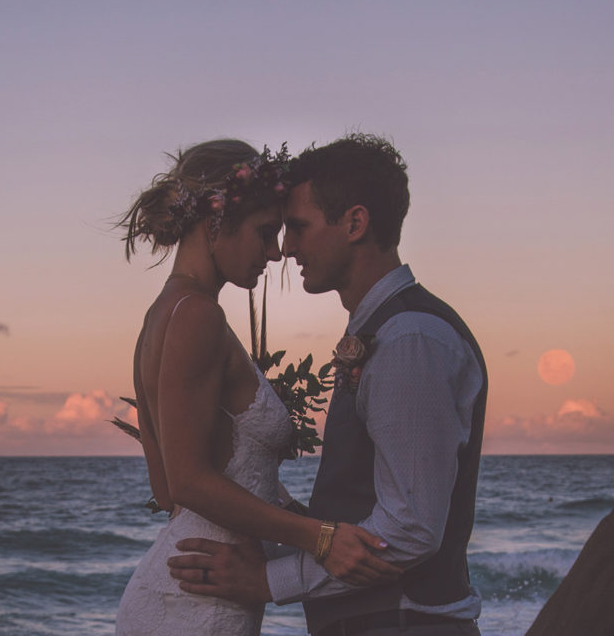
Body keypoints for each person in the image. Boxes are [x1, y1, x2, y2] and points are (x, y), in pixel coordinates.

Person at [168, 134, 488, 636]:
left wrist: (267, 581)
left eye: (297, 228)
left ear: (355, 223)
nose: (286, 249)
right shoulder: (387, 331)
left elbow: (409, 531)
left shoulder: (409, 340)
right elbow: (363, 504)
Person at [115, 138, 399, 636]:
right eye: (265, 233)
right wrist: (321, 538)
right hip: (198, 600)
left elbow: (167, 491)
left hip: (196, 580)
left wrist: (307, 525)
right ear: (215, 219)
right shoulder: (198, 316)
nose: (275, 253)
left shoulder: (161, 315)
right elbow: (186, 484)